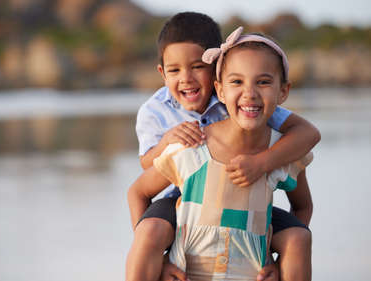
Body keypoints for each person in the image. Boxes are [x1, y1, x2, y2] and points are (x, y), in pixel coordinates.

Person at [126, 12, 319, 281]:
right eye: (174, 70)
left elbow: (308, 133)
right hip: (175, 198)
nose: (187, 78)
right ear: (162, 72)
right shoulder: (155, 112)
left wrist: (262, 163)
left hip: (243, 202)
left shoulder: (245, 103)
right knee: (150, 232)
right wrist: (169, 141)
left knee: (299, 237)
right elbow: (147, 166)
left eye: (197, 66)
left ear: (214, 67)